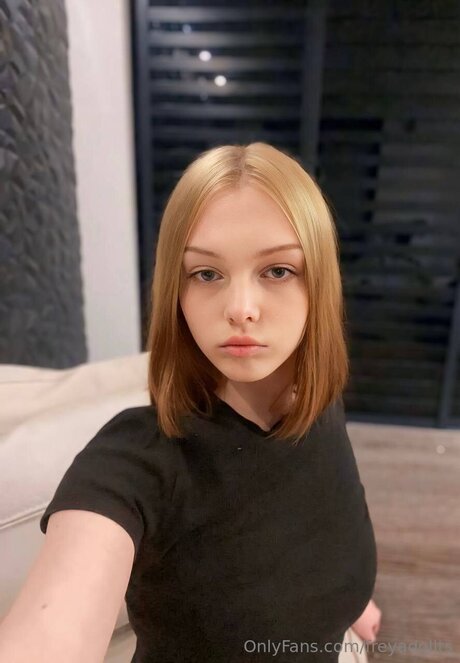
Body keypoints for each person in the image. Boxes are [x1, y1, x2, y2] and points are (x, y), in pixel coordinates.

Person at [0, 143, 379, 662]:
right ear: (175, 292)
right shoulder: (134, 460)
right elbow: (53, 632)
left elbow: (316, 525)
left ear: (320, 285)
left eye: (277, 271)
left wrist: (347, 599)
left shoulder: (317, 405)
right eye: (206, 274)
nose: (240, 309)